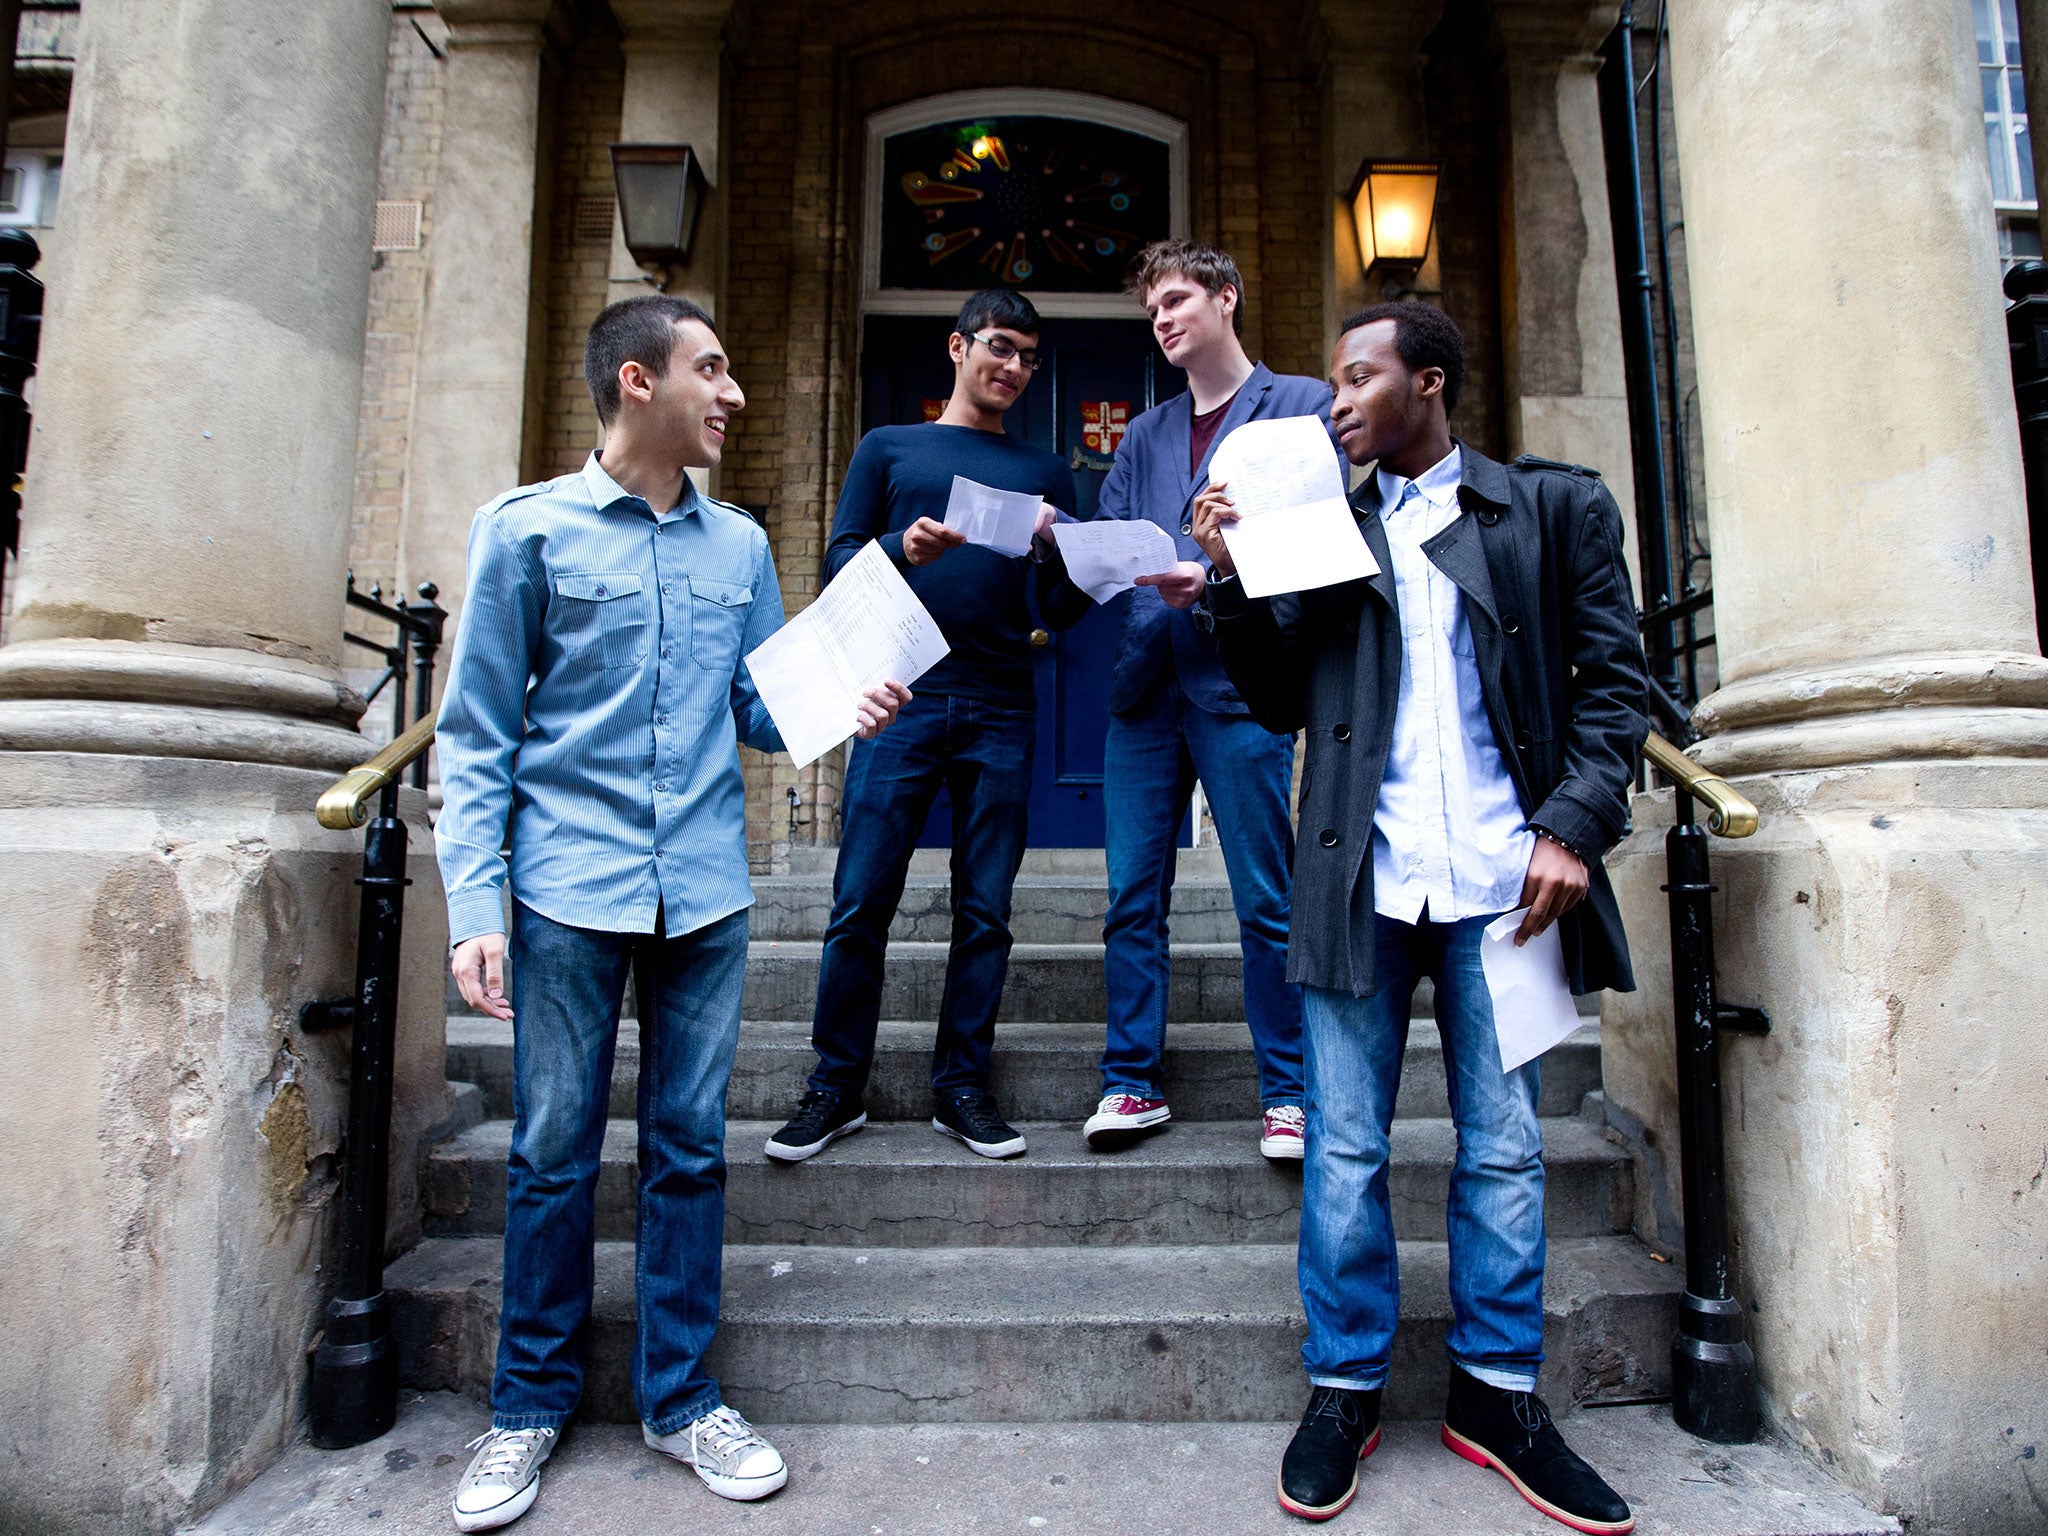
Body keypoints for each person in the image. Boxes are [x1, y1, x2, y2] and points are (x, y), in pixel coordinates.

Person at [434, 294, 908, 1532]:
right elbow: (476, 735)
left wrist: (840, 704)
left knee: (689, 1153)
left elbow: (755, 714)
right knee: (549, 1155)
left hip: (702, 892)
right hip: (564, 892)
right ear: (638, 383)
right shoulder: (524, 533)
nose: (734, 392)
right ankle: (526, 1408)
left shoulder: (739, 548)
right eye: (713, 367)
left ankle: (679, 1397)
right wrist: (472, 903)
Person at [1195, 301, 1648, 1531]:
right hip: (1359, 882)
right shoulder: (1322, 526)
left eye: (1357, 377)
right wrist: (1232, 586)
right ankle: (1342, 1389)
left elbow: (1617, 688)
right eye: (1334, 382)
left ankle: (1495, 1394)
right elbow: (1278, 699)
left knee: (1503, 1149)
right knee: (1342, 1152)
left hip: (1506, 883)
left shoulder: (1550, 511)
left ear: (1429, 383)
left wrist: (1571, 825)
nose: (1334, 400)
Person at [765, 288, 1088, 1164]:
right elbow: (837, 560)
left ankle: (962, 1087)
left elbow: (1061, 608)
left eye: (1029, 356)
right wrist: (900, 550)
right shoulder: (887, 448)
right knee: (861, 900)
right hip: (899, 698)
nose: (1015, 368)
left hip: (1003, 704)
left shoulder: (1047, 472)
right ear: (958, 347)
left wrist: (1062, 553)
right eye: (1001, 349)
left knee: (985, 911)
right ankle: (836, 1087)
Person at [1080, 240, 1340, 1160]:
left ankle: (1291, 1093)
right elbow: (1114, 538)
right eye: (1153, 309)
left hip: (1242, 680)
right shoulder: (1145, 434)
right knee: (1127, 896)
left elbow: (1325, 544)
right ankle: (1130, 1082)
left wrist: (1222, 572)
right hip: (1145, 688)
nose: (1162, 319)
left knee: (1265, 895)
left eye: (1178, 299)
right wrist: (1065, 542)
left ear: (1227, 298)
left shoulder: (1302, 405)